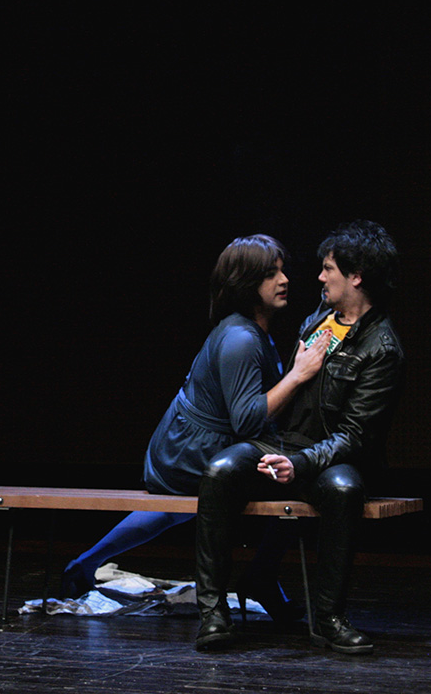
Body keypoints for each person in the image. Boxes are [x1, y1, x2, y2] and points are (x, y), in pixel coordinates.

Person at [58, 234, 330, 601]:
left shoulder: (253, 332)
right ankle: (261, 577)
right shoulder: (241, 338)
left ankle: (85, 563)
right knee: (299, 480)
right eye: (270, 274)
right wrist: (297, 376)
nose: (283, 280)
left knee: (174, 511)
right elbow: (247, 420)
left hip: (191, 445)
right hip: (187, 452)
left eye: (282, 271)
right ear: (246, 283)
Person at [194, 219, 404, 655]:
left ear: (356, 276)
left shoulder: (382, 348)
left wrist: (300, 464)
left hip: (334, 457)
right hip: (288, 444)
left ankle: (329, 617)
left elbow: (354, 435)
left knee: (343, 490)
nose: (320, 277)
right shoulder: (317, 321)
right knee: (220, 470)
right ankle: (213, 612)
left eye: (329, 269)